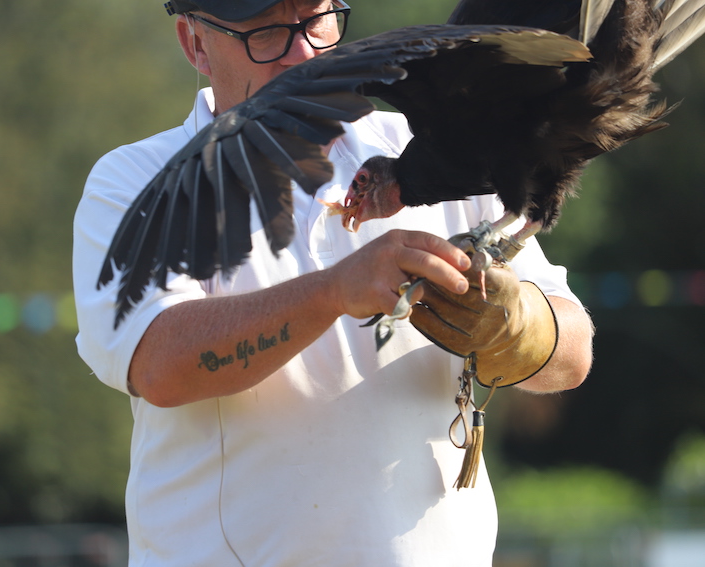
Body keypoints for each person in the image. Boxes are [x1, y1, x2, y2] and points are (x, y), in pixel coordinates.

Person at [72, 1, 594, 565]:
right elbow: (159, 364)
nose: (304, 52)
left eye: (316, 19)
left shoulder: (445, 142)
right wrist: (332, 292)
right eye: (267, 31)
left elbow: (574, 352)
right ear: (195, 43)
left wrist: (519, 328)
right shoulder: (135, 180)